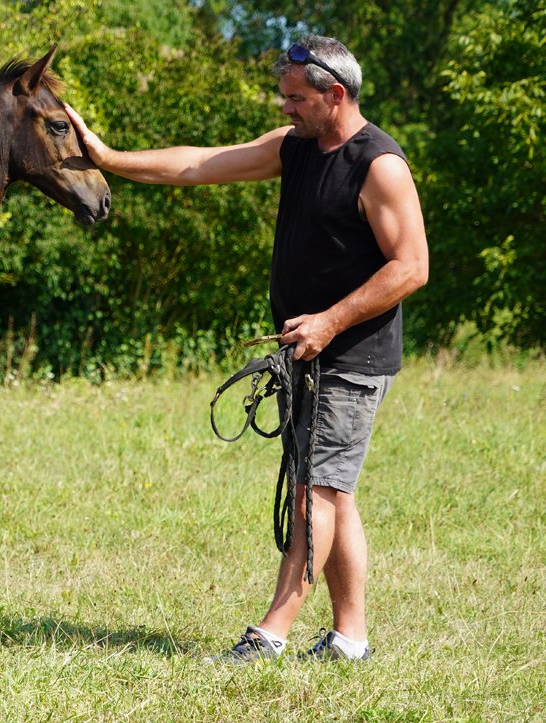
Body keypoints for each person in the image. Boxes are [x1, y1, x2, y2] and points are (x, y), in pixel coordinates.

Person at [65, 34, 429, 662]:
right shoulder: (296, 147)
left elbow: (412, 267)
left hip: (352, 357)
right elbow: (200, 164)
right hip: (307, 355)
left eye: (295, 98)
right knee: (334, 492)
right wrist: (108, 156)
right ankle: (350, 639)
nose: (284, 107)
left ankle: (271, 634)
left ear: (334, 95)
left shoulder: (379, 166)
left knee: (314, 492)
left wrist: (329, 322)